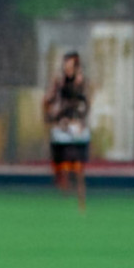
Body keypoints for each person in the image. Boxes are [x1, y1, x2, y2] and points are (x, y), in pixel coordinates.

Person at [42, 50, 90, 211]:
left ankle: (81, 201)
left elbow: (85, 104)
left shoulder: (81, 83)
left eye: (70, 64)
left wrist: (81, 121)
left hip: (76, 126)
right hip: (62, 126)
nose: (67, 67)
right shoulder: (59, 82)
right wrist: (52, 115)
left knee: (78, 167)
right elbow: (49, 100)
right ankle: (64, 189)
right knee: (62, 164)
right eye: (66, 64)